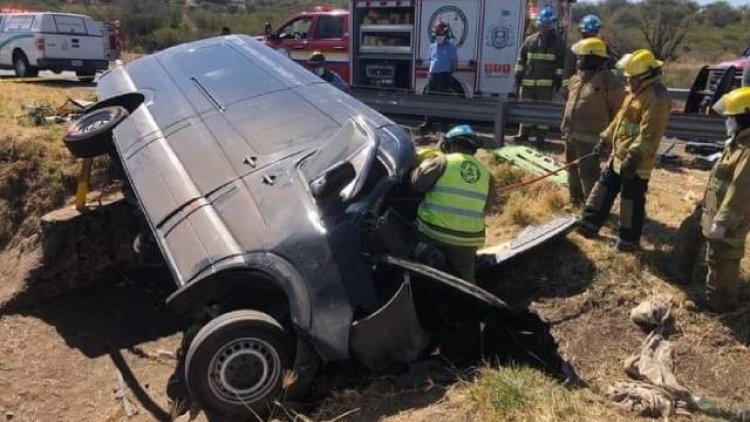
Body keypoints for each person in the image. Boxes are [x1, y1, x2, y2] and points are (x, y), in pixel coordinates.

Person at [577, 49, 671, 252]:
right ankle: (588, 224)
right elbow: (620, 120)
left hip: (636, 163)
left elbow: (650, 136)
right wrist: (605, 138)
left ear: (643, 75)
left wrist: (633, 157)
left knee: (630, 201)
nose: (627, 79)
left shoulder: (657, 98)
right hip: (618, 156)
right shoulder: (635, 92)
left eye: (630, 76)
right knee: (602, 189)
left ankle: (628, 242)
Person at [410, 125, 495, 283]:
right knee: (467, 282)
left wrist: (425, 161)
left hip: (433, 233)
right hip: (469, 240)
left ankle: (427, 257)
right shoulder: (486, 173)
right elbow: (488, 206)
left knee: (402, 234)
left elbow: (417, 184)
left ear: (449, 145)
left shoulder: (441, 161)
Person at [698, 86, 750, 312]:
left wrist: (723, 221)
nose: (727, 121)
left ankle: (720, 304)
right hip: (718, 209)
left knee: (724, 257)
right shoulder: (738, 141)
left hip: (731, 216)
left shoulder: (748, 149)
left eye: (731, 117)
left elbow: (741, 189)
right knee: (718, 256)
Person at [561, 37, 625, 206]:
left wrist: (610, 139)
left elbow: (619, 112)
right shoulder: (576, 78)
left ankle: (591, 208)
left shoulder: (609, 81)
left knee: (589, 174)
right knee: (571, 169)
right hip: (571, 134)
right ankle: (575, 202)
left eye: (581, 57)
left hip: (591, 138)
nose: (578, 59)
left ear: (592, 58)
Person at [513, 6, 566, 146]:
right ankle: (523, 135)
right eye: (542, 24)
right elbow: (521, 60)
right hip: (528, 83)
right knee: (526, 110)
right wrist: (518, 76)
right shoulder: (530, 40)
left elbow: (560, 65)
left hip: (546, 85)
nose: (544, 27)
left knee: (543, 112)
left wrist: (557, 81)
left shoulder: (558, 43)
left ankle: (540, 138)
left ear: (551, 24)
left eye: (547, 24)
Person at [418, 21, 458, 135]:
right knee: (429, 98)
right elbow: (431, 61)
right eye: (437, 34)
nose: (439, 36)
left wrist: (447, 73)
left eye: (441, 34)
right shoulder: (432, 47)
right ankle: (428, 122)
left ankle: (444, 124)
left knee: (443, 100)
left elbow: (454, 64)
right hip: (433, 76)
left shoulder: (451, 47)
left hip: (444, 75)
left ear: (445, 34)